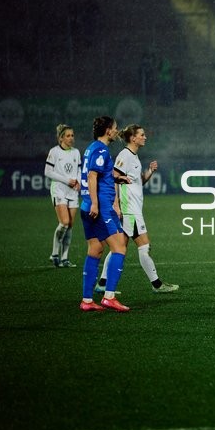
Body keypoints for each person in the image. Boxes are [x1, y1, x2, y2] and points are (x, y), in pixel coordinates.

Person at [95, 125, 179, 295]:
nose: (145, 137)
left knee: (119, 247)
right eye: (142, 135)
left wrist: (149, 172)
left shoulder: (133, 156)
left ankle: (102, 283)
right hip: (129, 210)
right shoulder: (125, 155)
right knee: (144, 246)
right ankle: (156, 284)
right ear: (133, 138)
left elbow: (136, 182)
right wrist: (116, 204)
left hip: (132, 209)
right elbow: (114, 178)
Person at [79, 116, 130, 312]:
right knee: (119, 248)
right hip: (100, 207)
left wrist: (117, 180)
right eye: (115, 128)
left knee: (95, 250)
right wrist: (95, 203)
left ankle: (87, 300)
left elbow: (98, 175)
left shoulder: (91, 148)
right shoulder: (101, 149)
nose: (117, 131)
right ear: (108, 130)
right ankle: (109, 297)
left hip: (87, 205)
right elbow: (92, 175)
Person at [44, 124, 81, 268]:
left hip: (72, 191)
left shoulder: (76, 152)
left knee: (70, 225)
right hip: (59, 189)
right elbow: (48, 172)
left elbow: (78, 170)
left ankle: (65, 258)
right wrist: (67, 180)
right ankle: (54, 253)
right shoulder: (54, 152)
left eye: (72, 135)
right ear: (61, 138)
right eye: (68, 136)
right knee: (64, 222)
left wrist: (77, 181)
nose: (71, 138)